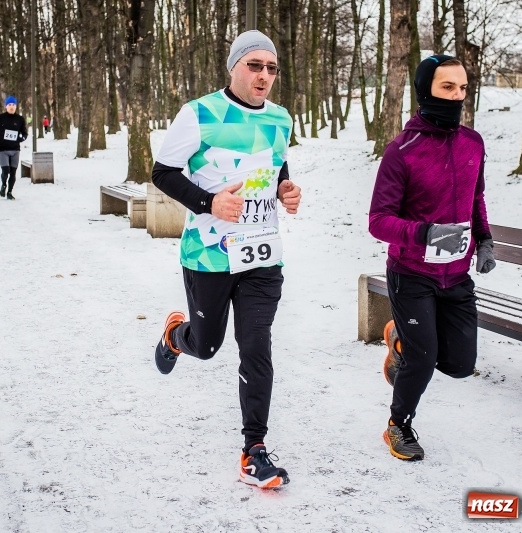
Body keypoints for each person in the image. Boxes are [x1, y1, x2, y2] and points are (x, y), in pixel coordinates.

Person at [152, 30, 301, 489]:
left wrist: (285, 191)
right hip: (209, 255)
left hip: (260, 254)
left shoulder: (280, 119)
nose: (264, 75)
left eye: (271, 68)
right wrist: (209, 203)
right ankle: (179, 336)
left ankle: (254, 449)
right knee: (208, 345)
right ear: (233, 67)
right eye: (254, 65)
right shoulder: (199, 114)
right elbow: (162, 173)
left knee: (257, 344)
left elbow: (276, 169)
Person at [368, 55, 497, 461]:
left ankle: (400, 342)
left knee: (460, 365)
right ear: (426, 91)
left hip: (456, 276)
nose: (458, 96)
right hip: (412, 273)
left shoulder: (473, 143)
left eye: (462, 88)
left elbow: (476, 197)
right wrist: (424, 233)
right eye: (447, 88)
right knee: (423, 359)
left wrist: (486, 239)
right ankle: (398, 426)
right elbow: (378, 221)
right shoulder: (402, 151)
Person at [0, 95, 28, 200]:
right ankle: (3, 185)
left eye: (13, 105)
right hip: (3, 149)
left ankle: (10, 192)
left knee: (13, 172)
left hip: (15, 149)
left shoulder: (20, 119)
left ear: (16, 106)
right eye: (9, 105)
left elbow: (24, 133)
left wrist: (21, 138)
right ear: (6, 106)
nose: (11, 107)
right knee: (5, 170)